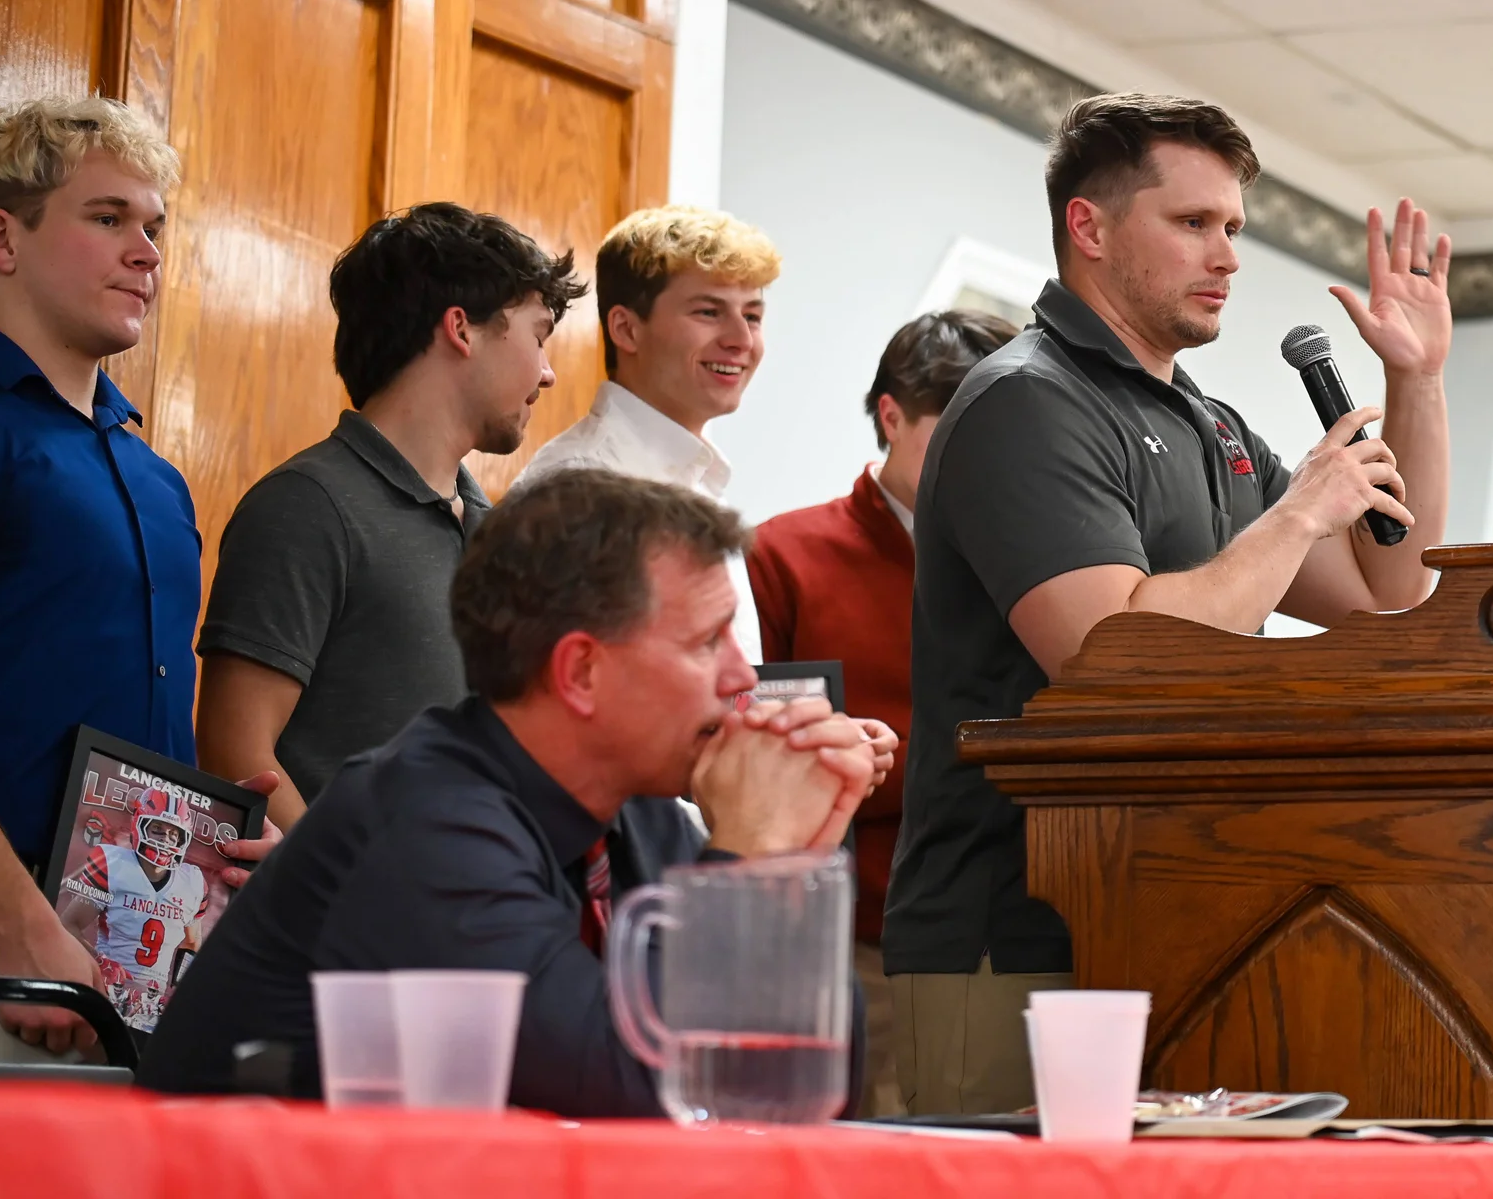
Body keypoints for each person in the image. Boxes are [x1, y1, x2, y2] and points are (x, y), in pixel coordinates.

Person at [886, 92, 1452, 1115]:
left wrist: (1414, 381)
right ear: (1089, 228)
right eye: (1193, 224)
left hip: (1171, 919)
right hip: (1007, 936)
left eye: (1232, 227)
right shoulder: (1027, 399)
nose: (1228, 255)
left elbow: (1390, 596)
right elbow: (1115, 663)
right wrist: (1294, 517)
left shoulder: (1208, 419)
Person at [138, 470, 887, 1114]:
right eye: (705, 643)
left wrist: (795, 855)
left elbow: (812, 1081)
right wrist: (752, 866)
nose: (742, 679)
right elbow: (640, 1098)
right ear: (581, 673)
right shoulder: (429, 828)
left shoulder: (643, 815)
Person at [0, 96, 277, 1078]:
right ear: (2, 238)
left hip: (139, 949)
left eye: (154, 227)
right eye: (107, 219)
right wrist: (18, 922)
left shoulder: (157, 478)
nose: (146, 251)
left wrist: (213, 861)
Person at [194, 205, 585, 829]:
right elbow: (233, 752)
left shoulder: (496, 531)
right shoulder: (306, 505)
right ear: (461, 328)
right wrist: (343, 897)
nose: (548, 371)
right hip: (342, 922)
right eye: (538, 337)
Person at [746, 309, 1018, 1116]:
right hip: (860, 940)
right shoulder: (784, 556)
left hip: (1029, 923)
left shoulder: (1039, 558)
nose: (987, 463)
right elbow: (770, 768)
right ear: (891, 417)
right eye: (957, 433)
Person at [514, 206, 780, 664]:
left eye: (752, 316)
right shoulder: (576, 489)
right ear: (626, 329)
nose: (741, 339)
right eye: (709, 311)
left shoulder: (703, 483)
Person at [58, 787, 207, 1034]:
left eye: (173, 834)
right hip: (105, 988)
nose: (165, 840)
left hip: (153, 1003)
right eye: (157, 830)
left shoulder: (193, 882)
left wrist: (178, 988)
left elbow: (192, 943)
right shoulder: (114, 864)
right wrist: (98, 961)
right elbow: (67, 925)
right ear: (139, 826)